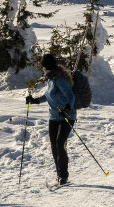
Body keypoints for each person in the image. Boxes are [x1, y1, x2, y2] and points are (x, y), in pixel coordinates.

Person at [25, 53, 76, 186]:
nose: (42, 69)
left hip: (67, 116)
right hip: (53, 116)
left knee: (60, 143)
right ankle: (59, 174)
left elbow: (71, 96)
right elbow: (48, 95)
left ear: (47, 67)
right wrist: (35, 100)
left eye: (43, 67)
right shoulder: (50, 79)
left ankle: (64, 175)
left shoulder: (59, 79)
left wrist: (67, 108)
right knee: (54, 145)